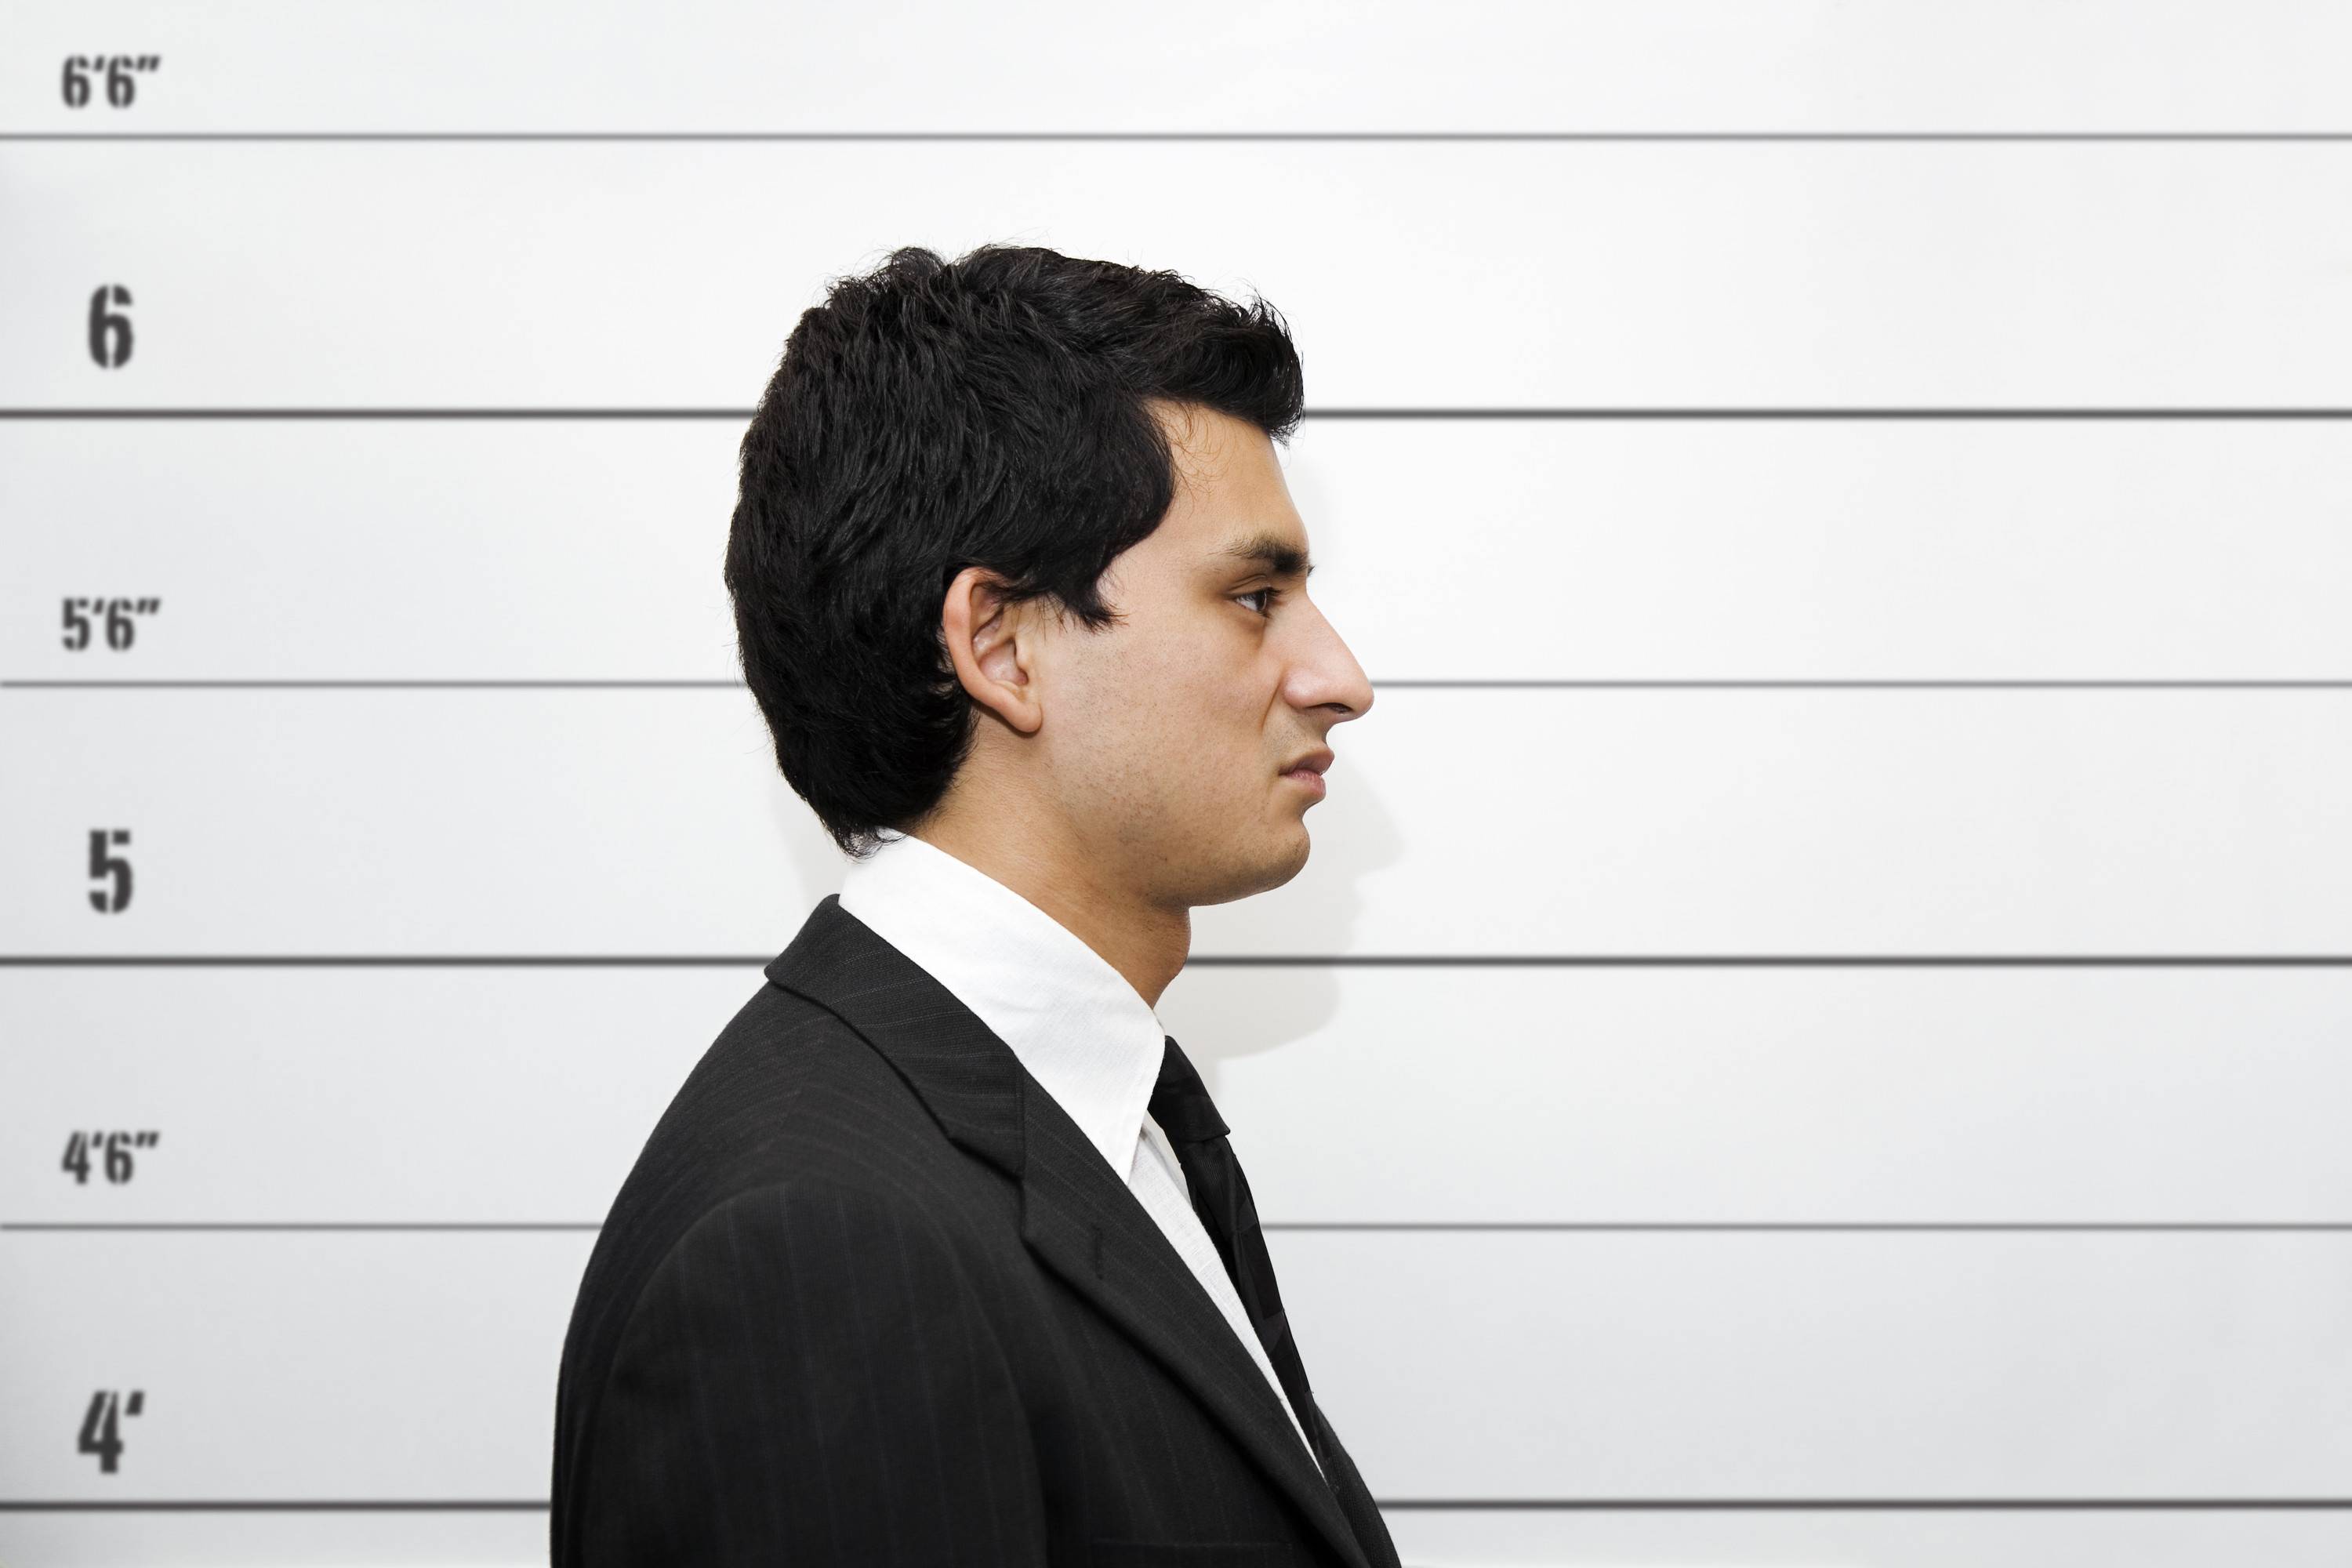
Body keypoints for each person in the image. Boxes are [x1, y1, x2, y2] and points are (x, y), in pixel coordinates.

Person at [551, 242, 1385, 1566]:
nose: (1340, 677)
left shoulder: (1097, 1122)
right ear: (1000, 646)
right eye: (1254, 597)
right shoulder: (816, 1258)